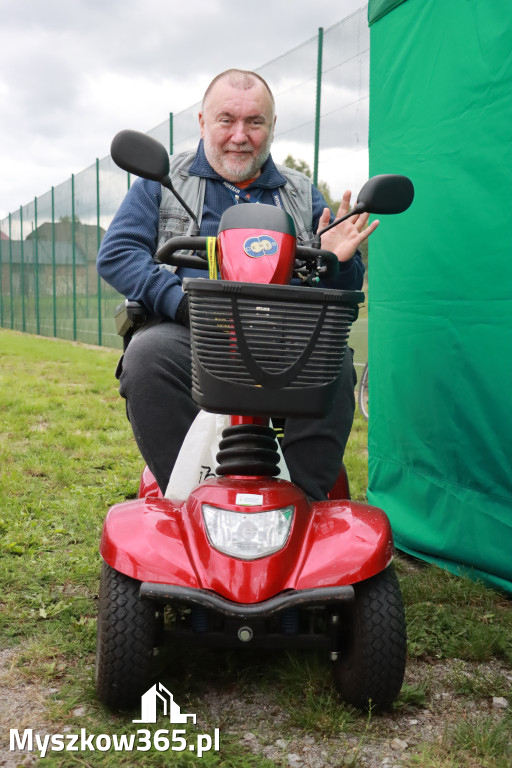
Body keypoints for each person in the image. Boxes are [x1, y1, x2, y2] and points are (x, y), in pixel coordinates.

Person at [97, 69, 378, 500]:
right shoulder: (164, 181)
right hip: (190, 332)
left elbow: (346, 280)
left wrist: (335, 262)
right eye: (226, 120)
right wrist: (184, 303)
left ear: (272, 127)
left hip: (282, 338)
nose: (240, 135)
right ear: (203, 123)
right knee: (147, 356)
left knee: (335, 365)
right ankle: (190, 499)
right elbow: (117, 254)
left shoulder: (302, 194)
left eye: (255, 122)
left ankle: (301, 501)